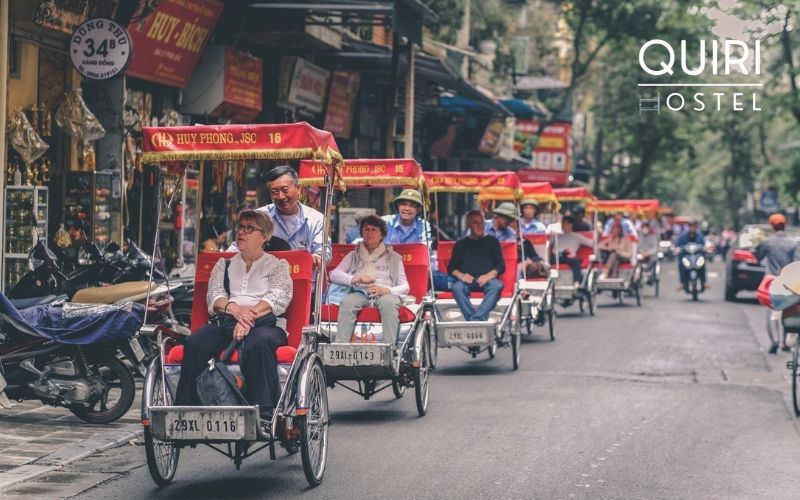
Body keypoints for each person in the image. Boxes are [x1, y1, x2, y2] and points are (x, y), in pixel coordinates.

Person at [175, 209, 293, 422]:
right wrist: (235, 311)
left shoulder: (277, 266)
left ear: (264, 237)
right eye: (240, 227)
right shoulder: (224, 264)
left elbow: (278, 296)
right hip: (227, 320)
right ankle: (188, 410)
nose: (241, 232)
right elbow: (215, 297)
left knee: (258, 344)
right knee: (196, 342)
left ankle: (263, 414)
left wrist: (249, 317)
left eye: (249, 228)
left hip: (266, 324)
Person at [330, 215, 409, 346]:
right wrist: (355, 279)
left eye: (374, 229)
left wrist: (386, 290)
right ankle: (341, 347)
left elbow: (405, 287)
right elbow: (334, 274)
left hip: (386, 293)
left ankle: (388, 348)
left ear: (382, 235)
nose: (369, 233)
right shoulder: (353, 255)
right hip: (360, 292)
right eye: (366, 229)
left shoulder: (394, 258)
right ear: (361, 233)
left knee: (389, 304)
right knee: (348, 302)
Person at [232, 166, 326, 266]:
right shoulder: (258, 217)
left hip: (303, 274)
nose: (280, 196)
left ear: (298, 189)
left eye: (285, 190)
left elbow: (323, 251)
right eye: (275, 192)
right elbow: (238, 246)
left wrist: (317, 257)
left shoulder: (316, 219)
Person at [448, 210, 506, 321]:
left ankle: (476, 320)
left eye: (482, 223)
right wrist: (461, 276)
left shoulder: (492, 241)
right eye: (475, 223)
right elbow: (451, 267)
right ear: (468, 225)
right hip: (467, 279)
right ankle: (475, 319)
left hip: (488, 279)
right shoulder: (461, 244)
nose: (480, 226)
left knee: (497, 286)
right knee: (457, 287)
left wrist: (488, 276)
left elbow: (501, 265)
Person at [757, 213, 800, 354]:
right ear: (785, 225)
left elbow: (759, 256)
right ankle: (787, 342)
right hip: (789, 281)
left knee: (772, 311)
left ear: (772, 226)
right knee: (789, 310)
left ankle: (775, 341)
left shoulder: (767, 242)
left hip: (771, 281)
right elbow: (797, 261)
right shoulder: (793, 242)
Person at [553, 215, 594, 285]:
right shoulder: (556, 235)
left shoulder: (577, 236)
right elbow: (546, 242)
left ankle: (577, 282)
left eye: (565, 223)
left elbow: (592, 243)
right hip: (555, 256)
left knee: (576, 261)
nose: (563, 225)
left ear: (570, 224)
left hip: (568, 257)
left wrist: (597, 234)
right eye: (562, 223)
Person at [675, 219, 706, 290]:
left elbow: (704, 244)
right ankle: (682, 282)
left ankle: (704, 282)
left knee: (702, 264)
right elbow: (677, 245)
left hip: (697, 256)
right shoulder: (683, 235)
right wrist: (677, 249)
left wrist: (706, 248)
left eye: (694, 226)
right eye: (691, 226)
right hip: (686, 256)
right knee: (681, 264)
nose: (692, 228)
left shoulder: (700, 235)